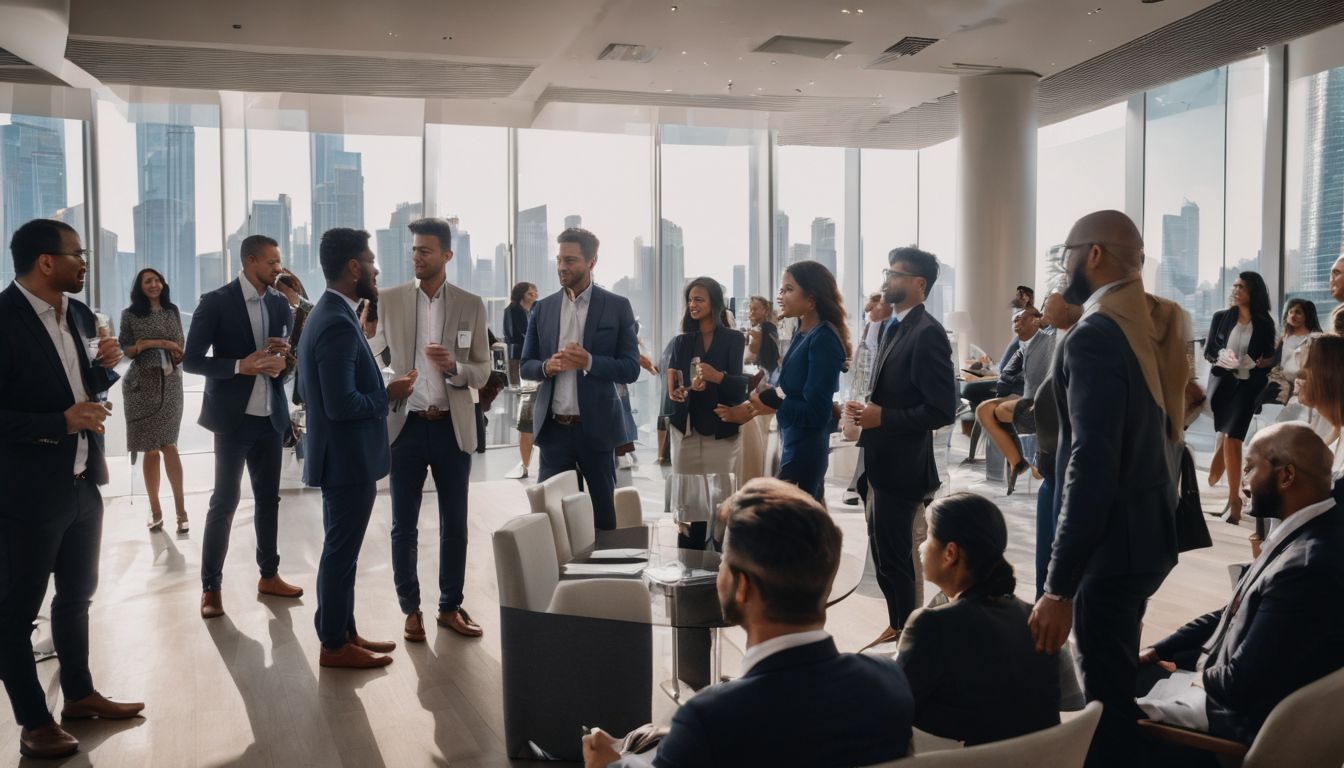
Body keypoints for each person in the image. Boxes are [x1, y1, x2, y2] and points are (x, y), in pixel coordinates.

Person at [581, 478, 914, 768]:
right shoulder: (887, 682)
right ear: (826, 583)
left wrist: (610, 763)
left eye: (724, 561)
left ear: (743, 587)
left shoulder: (710, 722)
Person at [1029, 210, 1189, 768]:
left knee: (1104, 705)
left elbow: (1090, 466)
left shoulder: (1095, 334)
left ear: (1093, 254)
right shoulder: (1152, 319)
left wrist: (1058, 586)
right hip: (1148, 536)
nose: (1064, 263)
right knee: (1114, 683)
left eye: (1067, 251)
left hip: (1111, 549)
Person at [0, 218, 142, 759]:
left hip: (83, 483)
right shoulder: (3, 319)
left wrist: (107, 367)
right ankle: (34, 722)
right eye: (77, 253)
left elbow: (87, 385)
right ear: (44, 261)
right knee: (15, 613)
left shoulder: (80, 313)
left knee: (77, 597)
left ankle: (79, 695)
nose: (85, 261)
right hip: (26, 494)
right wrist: (58, 423)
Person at [1138, 423, 1344, 756]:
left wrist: (1194, 674)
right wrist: (1160, 650)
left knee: (1108, 705)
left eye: (1249, 468)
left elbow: (1239, 684)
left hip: (1232, 724)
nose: (1243, 483)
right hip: (1228, 695)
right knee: (1127, 671)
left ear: (1286, 476)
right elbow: (1234, 610)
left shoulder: (1308, 566)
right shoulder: (1305, 534)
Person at [362, 218, 493, 643]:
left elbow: (483, 369)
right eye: (414, 250)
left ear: (447, 256)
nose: (416, 257)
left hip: (453, 427)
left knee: (456, 524)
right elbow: (369, 355)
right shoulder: (391, 298)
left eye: (425, 251)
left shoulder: (472, 304)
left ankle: (449, 606)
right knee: (404, 525)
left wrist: (455, 367)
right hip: (407, 427)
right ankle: (410, 609)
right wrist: (384, 382)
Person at [299, 228, 405, 668]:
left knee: (339, 552)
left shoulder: (331, 314)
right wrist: (390, 392)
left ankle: (343, 630)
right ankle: (334, 645)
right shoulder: (337, 323)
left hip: (340, 456)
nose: (377, 269)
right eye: (371, 260)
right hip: (347, 460)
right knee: (341, 554)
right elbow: (341, 404)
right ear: (353, 267)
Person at [183, 234, 302, 619]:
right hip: (232, 422)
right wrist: (240, 365)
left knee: (269, 500)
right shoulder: (215, 302)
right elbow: (191, 361)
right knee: (224, 502)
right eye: (272, 262)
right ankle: (211, 588)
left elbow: (287, 363)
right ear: (250, 261)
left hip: (270, 418)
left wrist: (285, 361)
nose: (278, 268)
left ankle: (269, 575)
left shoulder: (282, 305)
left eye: (279, 262)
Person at [844, 247, 957, 648]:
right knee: (885, 557)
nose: (886, 280)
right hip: (878, 462)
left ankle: (912, 639)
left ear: (919, 284)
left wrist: (884, 418)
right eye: (887, 271)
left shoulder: (928, 334)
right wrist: (869, 412)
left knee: (898, 559)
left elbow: (943, 408)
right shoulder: (894, 327)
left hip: (903, 467)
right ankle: (898, 627)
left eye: (894, 273)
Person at [897, 493, 1060, 746]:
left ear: (950, 553)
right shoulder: (1035, 621)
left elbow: (893, 706)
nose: (921, 544)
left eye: (928, 535)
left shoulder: (932, 625)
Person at [519, 227, 640, 530]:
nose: (562, 267)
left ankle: (605, 577)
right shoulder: (542, 309)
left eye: (570, 260)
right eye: (559, 259)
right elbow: (525, 366)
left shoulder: (617, 306)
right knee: (552, 520)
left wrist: (589, 361)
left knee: (603, 519)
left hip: (597, 430)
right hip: (554, 432)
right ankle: (561, 577)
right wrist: (548, 366)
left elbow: (630, 368)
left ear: (591, 262)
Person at [717, 261, 848, 503]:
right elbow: (787, 390)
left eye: (788, 289)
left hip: (805, 452)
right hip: (792, 443)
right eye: (781, 289)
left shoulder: (823, 339)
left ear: (811, 299)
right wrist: (754, 405)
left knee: (787, 527)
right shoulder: (803, 333)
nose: (780, 296)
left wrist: (772, 405)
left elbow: (817, 413)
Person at [666, 277, 748, 546]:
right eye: (690, 300)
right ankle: (689, 557)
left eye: (699, 299)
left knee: (722, 499)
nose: (692, 304)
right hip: (687, 431)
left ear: (714, 302)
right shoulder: (681, 342)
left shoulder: (734, 339)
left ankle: (721, 558)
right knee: (689, 502)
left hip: (720, 430)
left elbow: (739, 387)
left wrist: (717, 377)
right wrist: (681, 392)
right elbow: (676, 390)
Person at [118, 267, 187, 532]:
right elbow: (127, 349)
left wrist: (171, 348)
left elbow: (180, 348)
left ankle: (181, 511)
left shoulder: (173, 311)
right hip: (140, 387)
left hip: (170, 384)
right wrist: (152, 343)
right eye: (148, 281)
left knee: (169, 444)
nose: (154, 284)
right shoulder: (130, 315)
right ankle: (156, 509)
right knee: (149, 449)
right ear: (140, 286)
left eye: (157, 280)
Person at [1203, 272, 1275, 525]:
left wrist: (1258, 363)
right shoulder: (1221, 318)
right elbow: (1209, 350)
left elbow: (1270, 358)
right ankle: (1220, 470)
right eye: (1234, 286)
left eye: (1241, 286)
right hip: (1223, 386)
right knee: (1227, 436)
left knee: (1234, 438)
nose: (1236, 290)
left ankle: (1234, 499)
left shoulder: (1264, 323)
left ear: (1253, 291)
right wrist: (1222, 357)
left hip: (1247, 387)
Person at [1030, 292, 1082, 598]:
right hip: (1052, 471)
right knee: (1047, 568)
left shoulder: (1081, 343)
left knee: (1058, 572)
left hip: (1068, 476)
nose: (1046, 301)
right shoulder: (1053, 340)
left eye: (1054, 296)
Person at [975, 305, 1054, 494]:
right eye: (1015, 320)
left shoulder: (1052, 338)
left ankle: (1032, 456)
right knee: (983, 410)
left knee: (1003, 411)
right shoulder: (1026, 342)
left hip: (1040, 397)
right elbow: (1007, 369)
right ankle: (1016, 461)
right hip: (1022, 393)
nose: (1016, 322)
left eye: (1022, 318)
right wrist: (1003, 386)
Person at [504, 281, 538, 479]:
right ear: (522, 294)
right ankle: (525, 463)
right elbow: (517, 336)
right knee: (524, 409)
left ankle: (527, 463)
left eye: (535, 291)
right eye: (530, 291)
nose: (534, 294)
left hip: (528, 360)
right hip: (518, 360)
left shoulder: (531, 311)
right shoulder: (513, 310)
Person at [743, 294, 779, 376]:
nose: (752, 312)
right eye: (750, 309)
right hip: (756, 370)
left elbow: (771, 354)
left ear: (765, 311)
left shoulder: (768, 327)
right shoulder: (755, 327)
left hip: (765, 372)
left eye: (755, 309)